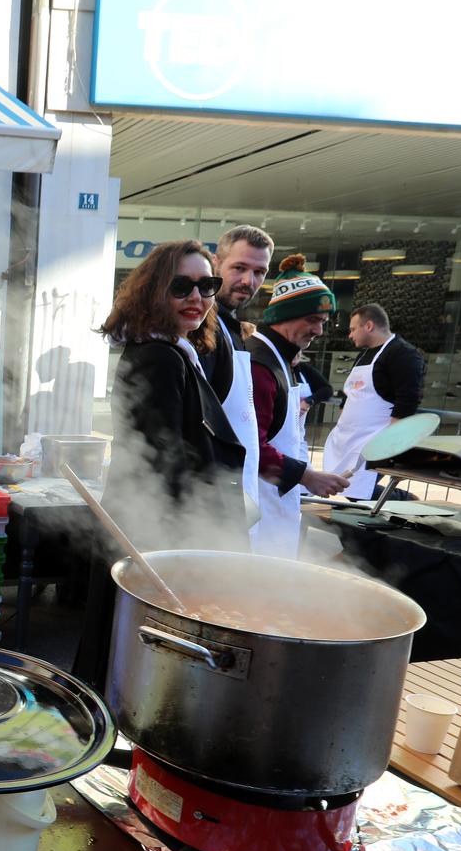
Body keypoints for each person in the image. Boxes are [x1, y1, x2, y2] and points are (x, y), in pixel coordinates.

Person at [73, 239, 246, 689]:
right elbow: (161, 464)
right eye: (181, 286)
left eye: (207, 285)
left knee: (130, 650)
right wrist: (193, 543)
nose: (197, 297)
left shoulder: (174, 350)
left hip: (152, 527)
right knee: (145, 656)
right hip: (155, 534)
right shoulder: (159, 358)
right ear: (154, 291)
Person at [247, 255, 349, 557]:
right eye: (313, 320)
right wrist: (307, 476)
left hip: (278, 497)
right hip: (260, 504)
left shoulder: (284, 358)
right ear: (285, 315)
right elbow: (252, 445)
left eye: (323, 322)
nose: (319, 331)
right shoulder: (260, 364)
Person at [201, 225, 273, 539]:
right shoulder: (204, 328)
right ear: (216, 263)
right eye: (239, 268)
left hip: (234, 491)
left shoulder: (233, 328)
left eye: (259, 272)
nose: (248, 281)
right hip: (209, 500)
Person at [322, 303, 427, 500]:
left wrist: (389, 442)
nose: (350, 335)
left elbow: (408, 398)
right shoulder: (364, 354)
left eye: (353, 329)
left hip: (375, 438)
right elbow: (351, 392)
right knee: (345, 487)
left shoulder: (403, 353)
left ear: (368, 326)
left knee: (357, 490)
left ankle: (406, 501)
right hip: (350, 438)